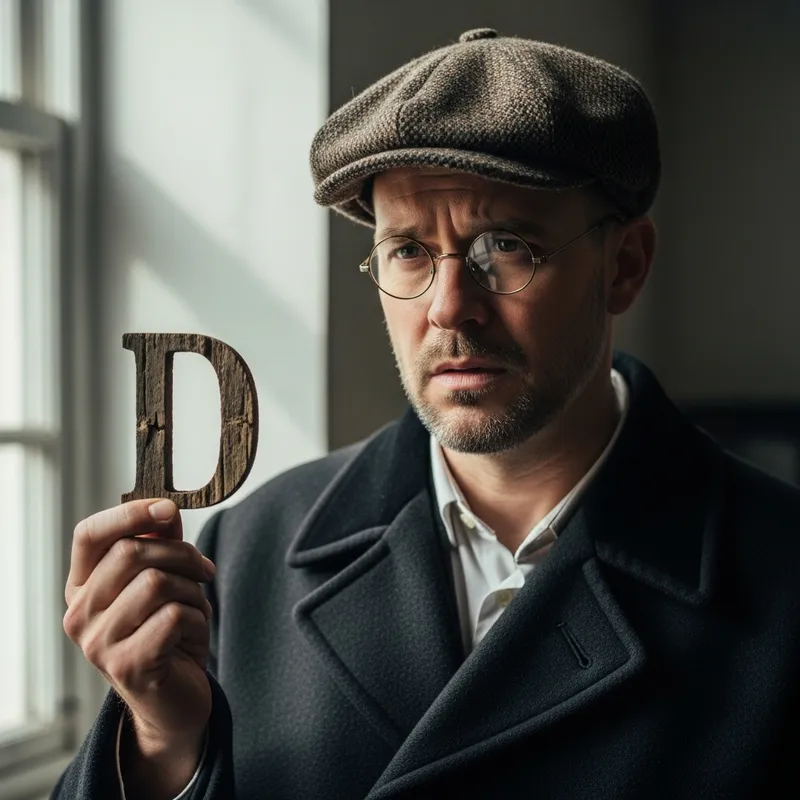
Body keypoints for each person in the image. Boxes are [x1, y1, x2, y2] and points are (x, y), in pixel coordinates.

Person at [53, 28, 800, 800]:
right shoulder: (247, 553)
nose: (448, 307)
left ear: (625, 266)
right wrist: (163, 743)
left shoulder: (780, 577)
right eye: (409, 251)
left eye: (504, 246)